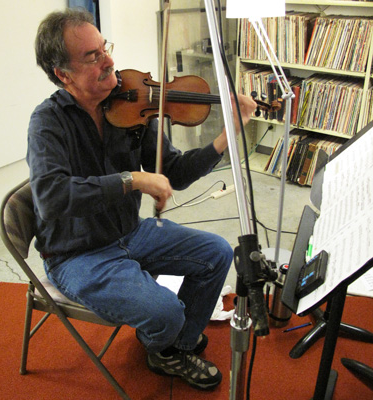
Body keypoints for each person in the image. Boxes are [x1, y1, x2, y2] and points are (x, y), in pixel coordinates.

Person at [27, 8, 256, 391]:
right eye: (92, 57)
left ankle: (173, 347)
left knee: (217, 253)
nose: (109, 61)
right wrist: (131, 179)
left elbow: (175, 172)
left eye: (105, 48)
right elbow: (52, 198)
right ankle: (167, 339)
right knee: (166, 310)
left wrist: (226, 135)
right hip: (77, 253)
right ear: (63, 75)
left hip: (129, 231)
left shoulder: (131, 105)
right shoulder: (47, 123)